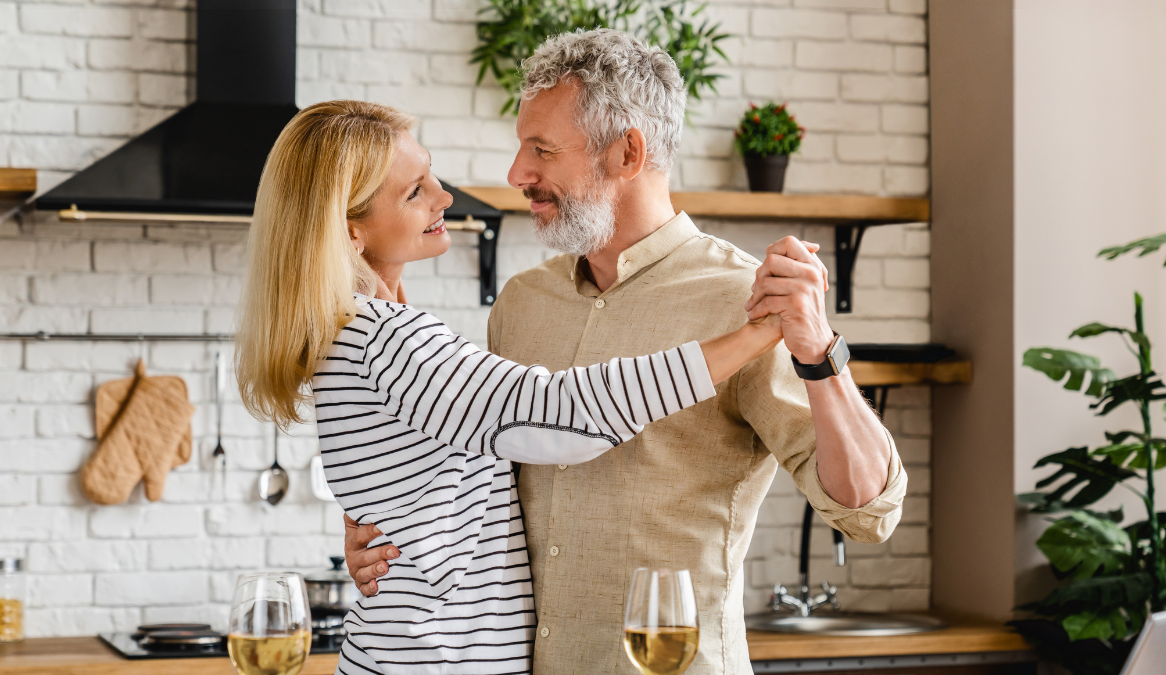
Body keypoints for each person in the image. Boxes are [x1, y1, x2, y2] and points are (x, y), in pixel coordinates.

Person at [345, 29, 908, 675]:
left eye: (542, 150)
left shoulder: (746, 302)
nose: (516, 174)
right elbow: (475, 478)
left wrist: (819, 351)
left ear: (629, 152)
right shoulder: (524, 304)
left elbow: (869, 510)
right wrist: (381, 534)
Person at [234, 99, 789, 675]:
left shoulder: (349, 335)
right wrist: (754, 335)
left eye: (431, 176)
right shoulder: (386, 339)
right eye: (414, 192)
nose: (444, 198)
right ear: (352, 232)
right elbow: (562, 418)